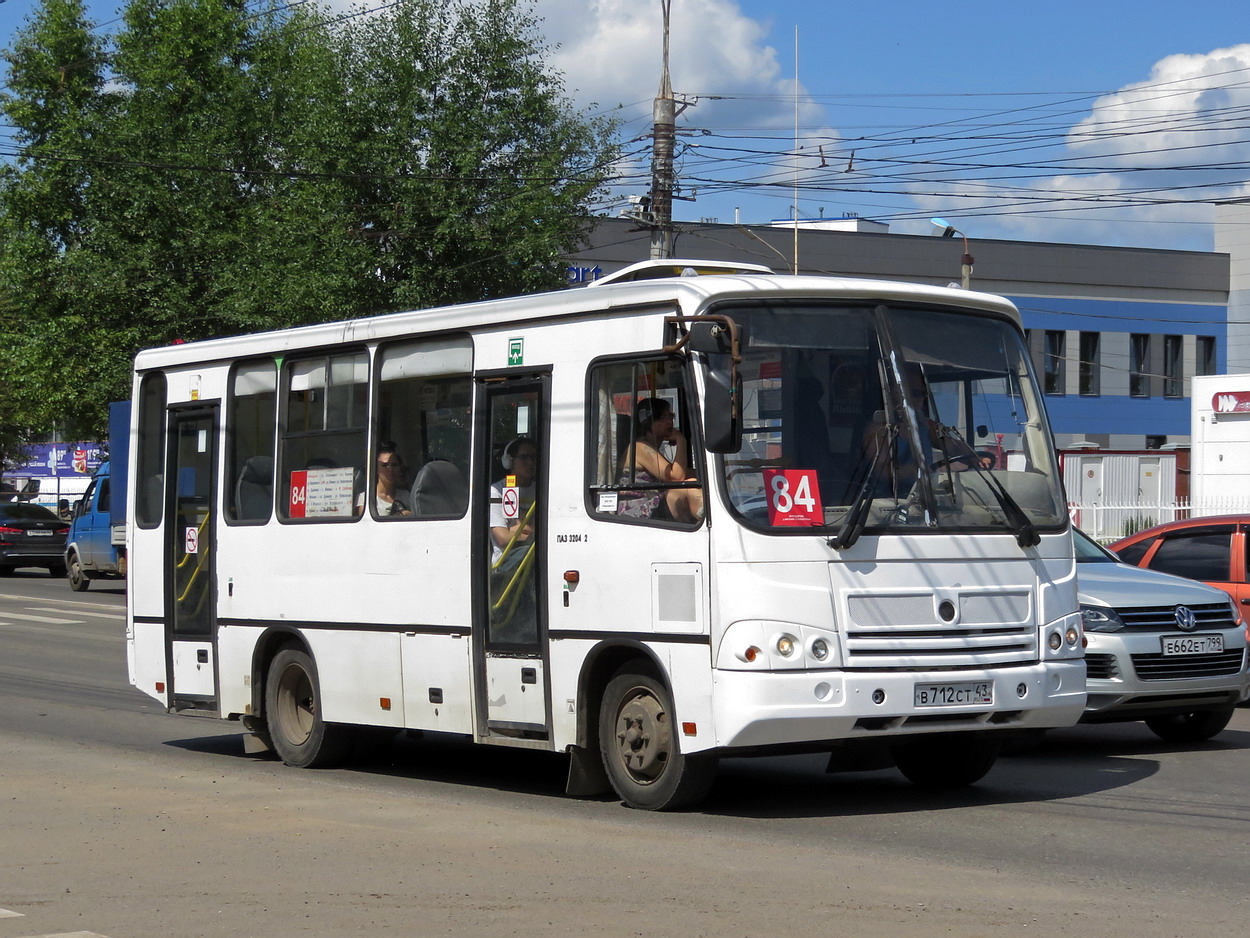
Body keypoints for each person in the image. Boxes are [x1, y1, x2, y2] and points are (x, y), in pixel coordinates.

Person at [618, 398, 704, 522]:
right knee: (690, 488)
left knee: (696, 483)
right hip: (636, 509)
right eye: (663, 417)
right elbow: (677, 477)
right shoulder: (639, 447)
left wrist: (708, 477)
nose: (670, 422)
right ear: (646, 421)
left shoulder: (651, 450)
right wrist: (681, 441)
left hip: (654, 503)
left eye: (671, 417)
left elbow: (681, 472)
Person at [489, 437, 538, 565]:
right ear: (509, 461)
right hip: (506, 563)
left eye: (533, 457)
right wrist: (531, 530)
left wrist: (516, 530)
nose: (530, 462)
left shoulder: (542, 490)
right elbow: (503, 538)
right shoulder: (496, 491)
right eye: (524, 457)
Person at [372, 442, 412, 516]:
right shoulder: (366, 499)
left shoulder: (407, 496)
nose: (390, 469)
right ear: (376, 469)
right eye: (384, 465)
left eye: (394, 465)